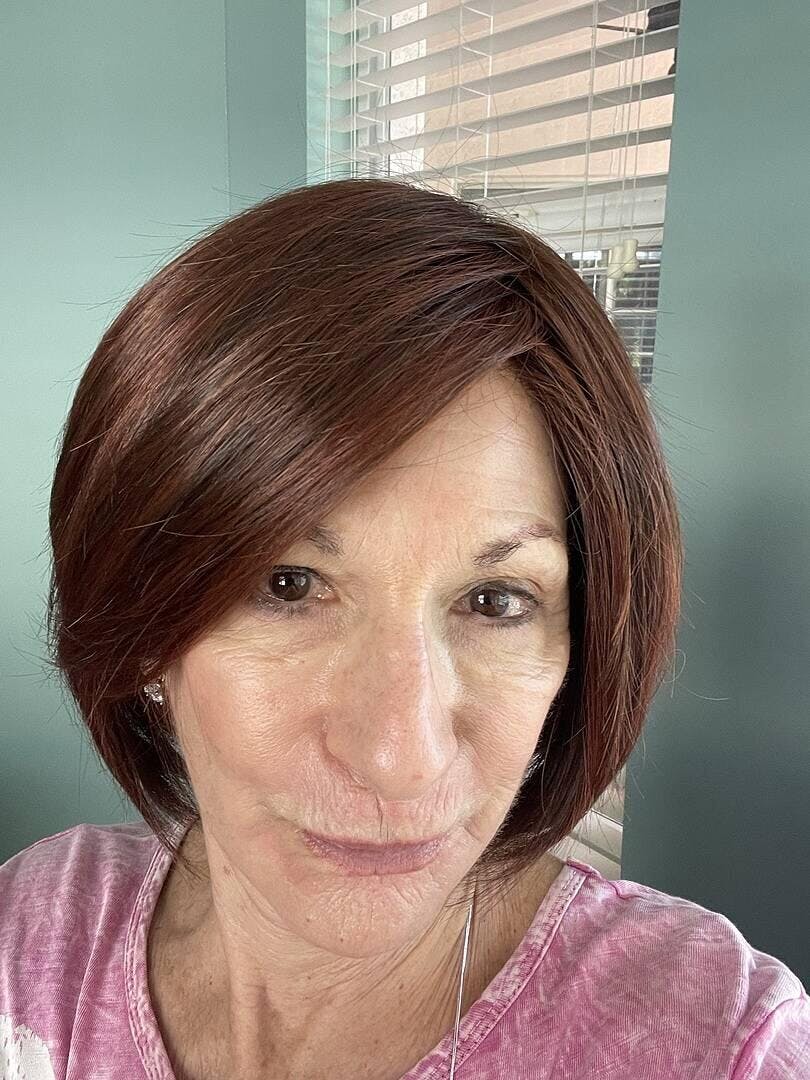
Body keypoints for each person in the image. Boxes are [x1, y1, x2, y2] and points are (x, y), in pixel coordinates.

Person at [1, 178, 807, 1080]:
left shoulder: (720, 1045)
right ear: (148, 630)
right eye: (288, 585)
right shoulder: (31, 935)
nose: (399, 756)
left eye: (495, 601)